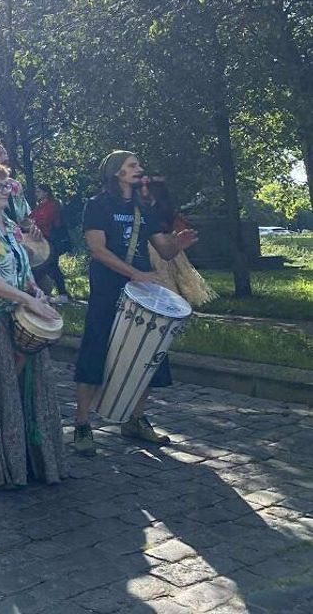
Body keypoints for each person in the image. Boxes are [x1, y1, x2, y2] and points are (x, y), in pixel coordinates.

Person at [73, 152, 199, 455]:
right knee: (95, 352)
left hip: (142, 291)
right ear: (117, 172)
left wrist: (177, 244)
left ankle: (135, 419)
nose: (138, 169)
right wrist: (136, 274)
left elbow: (164, 250)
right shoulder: (97, 205)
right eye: (132, 166)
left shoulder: (143, 207)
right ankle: (81, 425)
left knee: (150, 353)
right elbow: (98, 250)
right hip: (108, 289)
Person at [0, 162, 66, 489]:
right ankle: (0, 469)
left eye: (7, 185)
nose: (6, 191)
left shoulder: (9, 225)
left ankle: (33, 464)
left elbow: (23, 266)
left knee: (29, 391)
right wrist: (27, 300)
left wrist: (35, 292)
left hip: (18, 316)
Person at [142, 177, 217, 308]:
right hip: (170, 245)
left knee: (164, 280)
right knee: (173, 280)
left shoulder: (149, 208)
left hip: (157, 247)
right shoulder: (168, 208)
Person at [29, 185, 71, 303]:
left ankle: (62, 294)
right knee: (50, 267)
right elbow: (30, 218)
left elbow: (45, 220)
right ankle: (58, 294)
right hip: (43, 240)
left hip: (52, 240)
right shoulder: (40, 206)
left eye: (39, 191)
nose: (36, 193)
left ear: (46, 192)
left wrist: (34, 223)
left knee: (51, 267)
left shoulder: (53, 205)